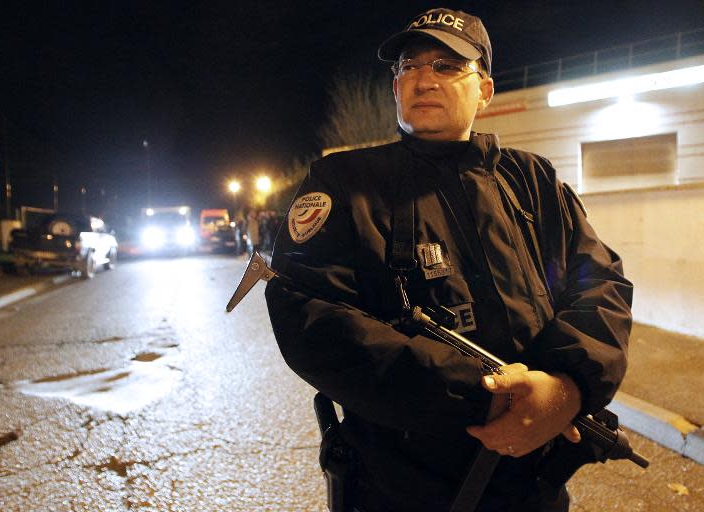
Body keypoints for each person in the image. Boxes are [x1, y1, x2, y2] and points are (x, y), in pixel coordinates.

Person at [265, 7, 632, 511]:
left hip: (535, 491)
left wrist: (567, 388)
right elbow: (309, 313)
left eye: (447, 65)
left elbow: (600, 283)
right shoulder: (345, 184)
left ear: (484, 89)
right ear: (395, 88)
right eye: (409, 66)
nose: (422, 79)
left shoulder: (532, 180)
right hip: (398, 491)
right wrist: (488, 395)